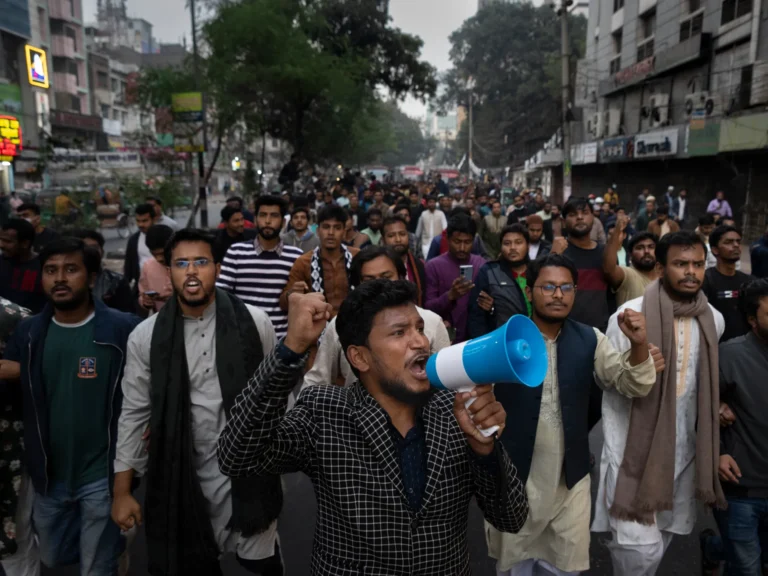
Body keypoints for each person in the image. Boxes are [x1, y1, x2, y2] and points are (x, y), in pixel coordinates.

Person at [217, 282, 529, 575]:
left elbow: (512, 518)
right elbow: (237, 455)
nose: (420, 341)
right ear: (359, 357)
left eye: (419, 328)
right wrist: (290, 350)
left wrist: (484, 449)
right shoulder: (324, 411)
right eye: (399, 332)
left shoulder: (456, 409)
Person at [112, 229, 282, 576]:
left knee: (259, 564)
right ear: (169, 271)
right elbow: (133, 412)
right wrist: (122, 491)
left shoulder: (255, 322)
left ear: (217, 268)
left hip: (250, 470)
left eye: (201, 262)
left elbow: (276, 395)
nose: (191, 271)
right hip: (182, 470)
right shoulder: (146, 336)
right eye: (181, 263)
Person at [487, 253, 659, 576]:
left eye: (566, 287)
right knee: (516, 567)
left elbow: (629, 383)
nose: (557, 294)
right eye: (548, 286)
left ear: (575, 293)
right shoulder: (505, 341)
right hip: (516, 481)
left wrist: (638, 345)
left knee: (565, 567)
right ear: (529, 292)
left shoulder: (590, 339)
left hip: (570, 484)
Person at [592, 231, 726, 575]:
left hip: (683, 454)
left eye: (697, 264)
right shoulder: (629, 315)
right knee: (640, 551)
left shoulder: (713, 319)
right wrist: (637, 362)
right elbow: (604, 378)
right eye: (681, 264)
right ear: (662, 268)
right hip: (631, 453)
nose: (691, 272)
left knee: (664, 536)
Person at [4, 238, 140, 576]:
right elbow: (14, 376)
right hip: (50, 474)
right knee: (52, 554)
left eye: (70, 269)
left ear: (91, 277)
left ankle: (109, 552)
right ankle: (115, 545)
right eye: (51, 271)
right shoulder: (30, 332)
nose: (59, 278)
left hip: (102, 471)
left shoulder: (122, 328)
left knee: (96, 567)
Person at [302, 246, 450, 388]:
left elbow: (447, 378)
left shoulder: (432, 322)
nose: (381, 286)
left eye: (386, 277)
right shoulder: (342, 324)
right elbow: (318, 380)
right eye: (370, 280)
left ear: (401, 277)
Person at [703, 279, 768, 575]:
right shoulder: (729, 356)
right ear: (753, 320)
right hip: (742, 489)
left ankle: (713, 547)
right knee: (747, 568)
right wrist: (716, 452)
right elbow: (697, 408)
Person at [218, 196, 303, 338]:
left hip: (281, 342)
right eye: (263, 215)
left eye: (274, 216)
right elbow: (221, 296)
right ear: (255, 219)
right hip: (243, 339)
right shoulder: (236, 252)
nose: (268, 221)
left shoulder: (296, 257)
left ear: (283, 222)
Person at [0, 297, 36, 576]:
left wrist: (20, 372)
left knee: (15, 537)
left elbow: (54, 370)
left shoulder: (15, 318)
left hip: (9, 448)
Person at [280, 204, 359, 319]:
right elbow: (283, 304)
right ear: (318, 231)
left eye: (337, 228)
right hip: (317, 330)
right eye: (326, 227)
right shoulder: (303, 262)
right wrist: (291, 294)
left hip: (354, 326)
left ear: (344, 232)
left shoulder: (357, 257)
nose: (331, 233)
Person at [551, 197, 610, 332]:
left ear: (593, 218)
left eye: (584, 213)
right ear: (564, 222)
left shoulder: (605, 254)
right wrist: (553, 255)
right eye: (572, 214)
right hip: (564, 331)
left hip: (600, 334)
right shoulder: (557, 251)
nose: (579, 217)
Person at [425, 214, 486, 343]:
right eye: (457, 242)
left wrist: (490, 305)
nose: (462, 248)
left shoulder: (481, 265)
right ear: (447, 238)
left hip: (475, 339)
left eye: (467, 242)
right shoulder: (433, 266)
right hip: (444, 340)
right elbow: (427, 308)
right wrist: (450, 296)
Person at [468, 224, 532, 340]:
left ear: (528, 246)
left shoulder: (538, 271)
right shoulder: (489, 272)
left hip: (536, 338)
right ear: (501, 247)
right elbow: (476, 316)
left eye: (518, 242)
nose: (512, 247)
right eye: (507, 243)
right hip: (501, 341)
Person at [702, 225, 754, 342]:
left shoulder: (750, 282)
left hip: (744, 348)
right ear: (715, 250)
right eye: (729, 242)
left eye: (738, 241)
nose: (736, 245)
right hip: (716, 346)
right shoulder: (705, 281)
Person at [603, 218, 660, 307]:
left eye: (651, 247)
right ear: (630, 255)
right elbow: (608, 269)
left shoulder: (665, 278)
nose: (646, 251)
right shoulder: (627, 275)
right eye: (640, 248)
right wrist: (617, 230)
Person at [74, 229, 134, 313]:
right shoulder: (65, 281)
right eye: (85, 248)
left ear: (102, 251)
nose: (90, 252)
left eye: (94, 248)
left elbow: (127, 316)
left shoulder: (116, 282)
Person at [0, 219, 45, 314]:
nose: (1, 245)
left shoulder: (44, 267)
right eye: (0, 239)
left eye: (7, 241)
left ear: (25, 244)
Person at [382, 216, 426, 307]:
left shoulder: (421, 265)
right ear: (383, 240)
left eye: (402, 234)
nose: (398, 239)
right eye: (391, 236)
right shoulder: (377, 267)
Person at [138, 225, 174, 314]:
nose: (159, 259)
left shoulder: (187, 264)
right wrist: (146, 301)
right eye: (154, 254)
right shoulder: (148, 267)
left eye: (162, 254)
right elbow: (143, 295)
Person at [124, 203, 156, 291]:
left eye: (145, 221)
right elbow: (128, 266)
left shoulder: (164, 237)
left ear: (153, 219)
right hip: (141, 287)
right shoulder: (133, 240)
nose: (141, 224)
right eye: (138, 221)